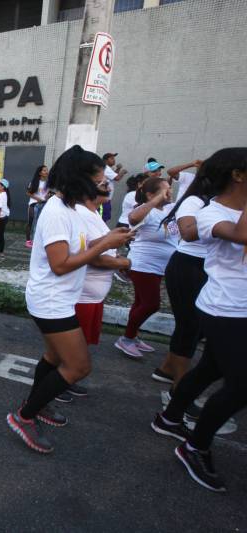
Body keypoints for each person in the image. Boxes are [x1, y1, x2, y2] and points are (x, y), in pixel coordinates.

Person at [7, 146, 132, 454]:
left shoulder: (71, 208)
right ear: (80, 179)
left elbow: (81, 248)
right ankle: (24, 416)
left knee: (53, 357)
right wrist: (105, 244)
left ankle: (37, 404)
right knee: (78, 366)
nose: (103, 186)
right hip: (51, 300)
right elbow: (61, 264)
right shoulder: (56, 212)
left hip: (60, 298)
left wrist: (109, 240)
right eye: (99, 181)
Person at [150, 147, 247, 493]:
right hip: (225, 308)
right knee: (241, 385)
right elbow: (242, 236)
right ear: (237, 175)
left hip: (238, 307)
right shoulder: (210, 212)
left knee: (210, 369)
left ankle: (169, 417)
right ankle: (195, 446)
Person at [72, 179, 131, 400]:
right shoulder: (81, 213)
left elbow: (99, 245)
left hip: (93, 295)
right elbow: (93, 257)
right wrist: (123, 263)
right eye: (102, 183)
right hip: (84, 294)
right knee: (72, 347)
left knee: (80, 345)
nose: (108, 186)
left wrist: (113, 239)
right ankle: (59, 381)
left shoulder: (94, 212)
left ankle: (65, 379)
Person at [151, 174, 209, 386]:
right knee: (189, 323)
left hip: (204, 265)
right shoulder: (193, 202)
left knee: (198, 325)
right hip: (185, 264)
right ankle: (179, 385)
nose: (169, 193)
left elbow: (173, 233)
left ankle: (167, 368)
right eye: (164, 190)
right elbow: (184, 233)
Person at [115, 177, 178, 359]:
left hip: (159, 266)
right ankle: (126, 338)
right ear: (151, 195)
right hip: (143, 265)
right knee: (151, 304)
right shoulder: (145, 211)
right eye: (165, 189)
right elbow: (133, 218)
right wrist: (155, 200)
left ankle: (132, 336)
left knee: (140, 303)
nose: (170, 192)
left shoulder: (169, 209)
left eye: (170, 188)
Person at [25, 165, 49, 247]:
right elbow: (28, 193)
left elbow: (45, 194)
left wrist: (47, 197)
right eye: (44, 170)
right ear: (40, 173)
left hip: (44, 205)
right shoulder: (34, 182)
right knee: (31, 223)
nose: (46, 172)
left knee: (40, 224)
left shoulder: (48, 183)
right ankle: (28, 241)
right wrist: (38, 199)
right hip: (33, 205)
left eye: (47, 170)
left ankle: (37, 240)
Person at [101, 152, 127, 222]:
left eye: (114, 158)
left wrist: (118, 169)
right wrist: (122, 172)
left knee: (104, 219)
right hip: (103, 200)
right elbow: (117, 178)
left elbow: (113, 176)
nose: (114, 160)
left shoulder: (107, 168)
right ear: (106, 160)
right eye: (111, 158)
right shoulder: (106, 168)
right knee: (102, 219)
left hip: (106, 199)